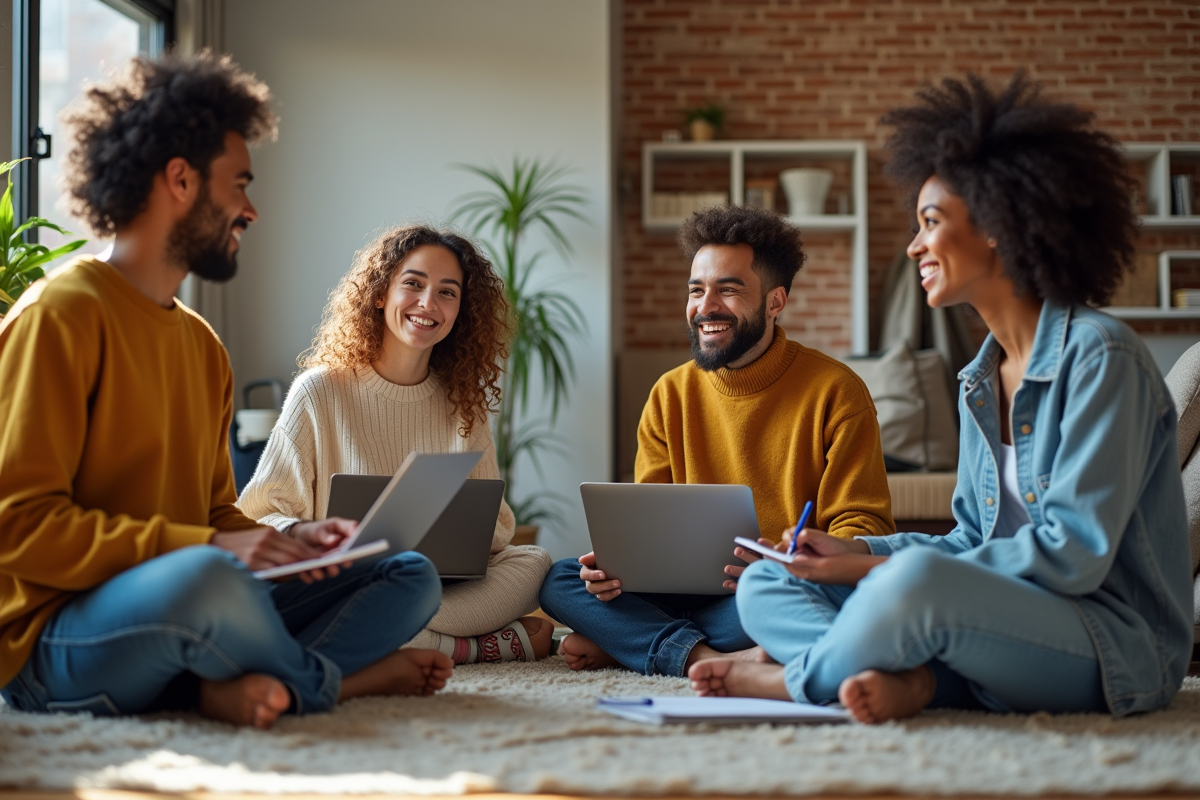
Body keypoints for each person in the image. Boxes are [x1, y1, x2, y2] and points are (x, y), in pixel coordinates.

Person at [691, 72, 1195, 724]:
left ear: (997, 224)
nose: (914, 245)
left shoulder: (1102, 358)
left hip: (1113, 645)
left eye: (930, 222)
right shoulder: (979, 379)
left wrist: (875, 575)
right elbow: (969, 540)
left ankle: (798, 678)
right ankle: (907, 678)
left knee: (915, 585)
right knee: (770, 578)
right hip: (994, 627)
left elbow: (1072, 556)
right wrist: (856, 554)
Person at [0, 53, 452, 730]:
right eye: (238, 184)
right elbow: (17, 527)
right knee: (207, 580)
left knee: (406, 571)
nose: (251, 210)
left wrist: (296, 542)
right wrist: (205, 548)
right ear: (180, 179)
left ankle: (227, 684)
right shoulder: (60, 315)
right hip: (54, 642)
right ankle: (330, 684)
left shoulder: (202, 345)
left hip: (194, 595)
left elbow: (215, 512)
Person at [539, 205, 895, 677]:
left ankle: (633, 641)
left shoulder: (837, 390)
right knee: (560, 580)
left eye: (728, 289)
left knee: (801, 600)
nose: (705, 307)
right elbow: (648, 523)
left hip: (768, 588)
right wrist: (615, 569)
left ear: (775, 301)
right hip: (675, 593)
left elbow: (865, 526)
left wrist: (785, 564)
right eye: (696, 289)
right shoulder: (670, 392)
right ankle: (700, 655)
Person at [239, 225, 554, 665]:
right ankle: (465, 646)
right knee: (307, 597)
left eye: (447, 292)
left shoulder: (464, 403)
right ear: (379, 293)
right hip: (349, 580)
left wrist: (457, 537)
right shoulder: (320, 391)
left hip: (436, 584)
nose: (428, 303)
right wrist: (306, 534)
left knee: (535, 562)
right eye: (413, 284)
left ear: (461, 310)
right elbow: (259, 517)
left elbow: (498, 531)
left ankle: (392, 626)